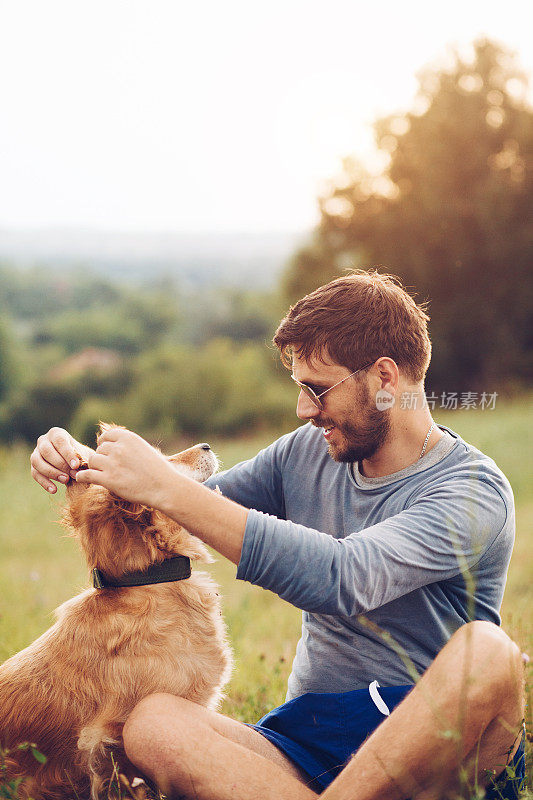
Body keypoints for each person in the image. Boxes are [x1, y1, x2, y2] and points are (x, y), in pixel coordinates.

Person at [31, 271, 525, 800]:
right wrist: (80, 463)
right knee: (152, 723)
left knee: (489, 651)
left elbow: (343, 576)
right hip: (300, 746)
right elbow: (171, 520)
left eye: (317, 389)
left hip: (427, 743)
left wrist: (166, 486)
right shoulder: (309, 452)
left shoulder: (472, 492)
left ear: (384, 379)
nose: (304, 410)